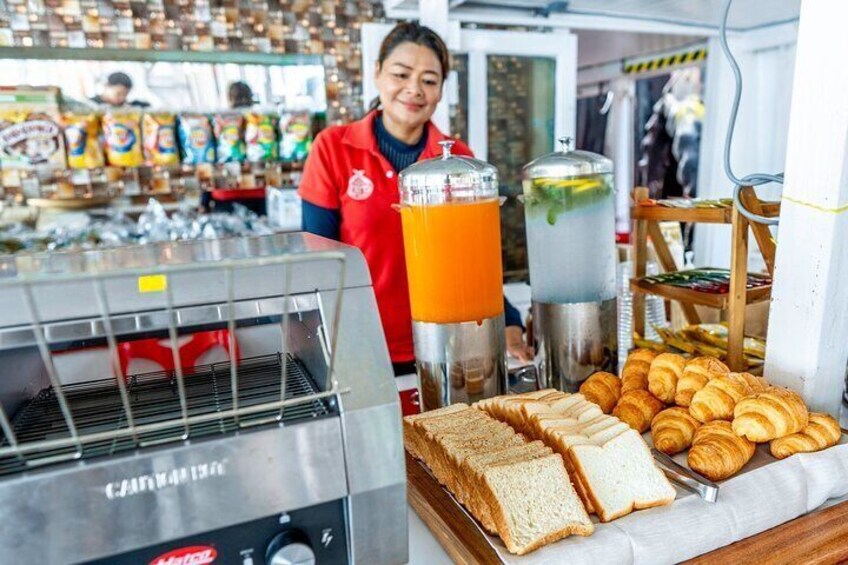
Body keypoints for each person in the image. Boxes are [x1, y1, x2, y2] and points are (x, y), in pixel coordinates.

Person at [299, 22, 533, 376]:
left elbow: (473, 260)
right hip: (361, 345)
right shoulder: (333, 149)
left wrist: (510, 319)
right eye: (401, 74)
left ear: (440, 91)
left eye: (428, 80)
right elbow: (320, 264)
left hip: (448, 341)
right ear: (377, 74)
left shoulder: (460, 161)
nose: (414, 90)